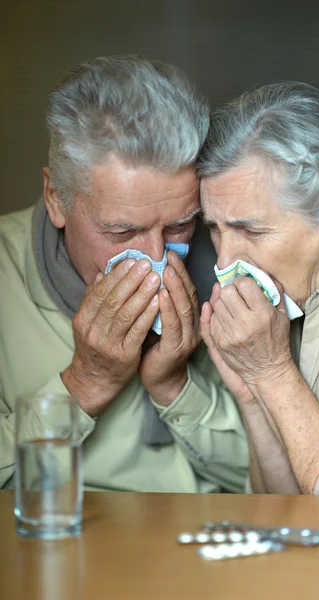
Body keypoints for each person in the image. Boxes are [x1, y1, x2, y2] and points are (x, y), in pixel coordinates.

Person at [0, 55, 248, 492]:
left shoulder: (234, 267)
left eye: (179, 224)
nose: (156, 257)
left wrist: (175, 385)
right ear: (57, 198)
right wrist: (86, 381)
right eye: (122, 230)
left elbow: (270, 484)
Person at [199, 81, 319, 496]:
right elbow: (282, 507)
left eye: (250, 230)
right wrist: (254, 393)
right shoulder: (291, 299)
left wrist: (273, 373)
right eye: (214, 231)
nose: (223, 264)